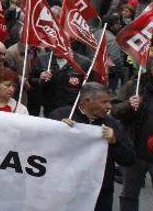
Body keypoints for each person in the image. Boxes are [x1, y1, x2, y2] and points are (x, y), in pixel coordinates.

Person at [51, 82, 135, 211]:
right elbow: (45, 148)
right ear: (86, 101)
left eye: (110, 102)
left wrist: (115, 142)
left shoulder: (113, 124)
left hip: (100, 191)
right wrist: (58, 130)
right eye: (104, 102)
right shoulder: (61, 115)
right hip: (65, 187)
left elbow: (129, 159)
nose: (109, 107)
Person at [112, 55, 153, 211]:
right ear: (151, 69)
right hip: (135, 150)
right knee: (129, 194)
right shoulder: (135, 86)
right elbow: (115, 111)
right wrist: (129, 105)